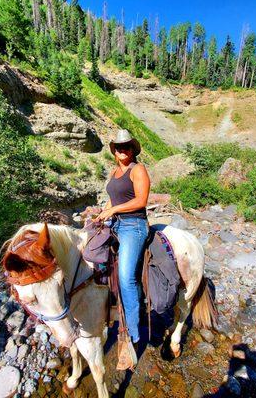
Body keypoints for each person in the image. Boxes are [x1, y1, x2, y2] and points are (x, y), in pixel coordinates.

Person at [95, 129, 150, 365]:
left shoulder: (138, 169)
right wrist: (101, 212)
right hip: (115, 223)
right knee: (92, 259)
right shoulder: (115, 172)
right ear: (114, 151)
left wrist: (114, 210)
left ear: (132, 149)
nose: (122, 151)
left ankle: (134, 334)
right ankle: (99, 314)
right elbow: (113, 198)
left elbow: (140, 201)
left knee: (127, 277)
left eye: (126, 147)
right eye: (118, 147)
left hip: (133, 226)